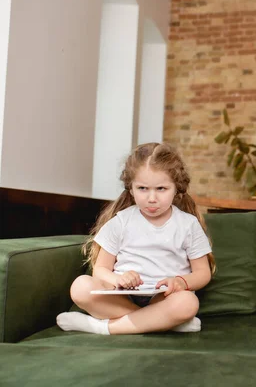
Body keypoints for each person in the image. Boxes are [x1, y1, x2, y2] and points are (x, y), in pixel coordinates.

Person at [57, 142, 216, 335]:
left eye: (161, 189)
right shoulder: (121, 222)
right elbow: (100, 270)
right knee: (80, 287)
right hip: (121, 296)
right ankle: (163, 322)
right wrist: (118, 278)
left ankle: (102, 327)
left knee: (187, 303)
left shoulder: (188, 224)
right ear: (130, 189)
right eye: (142, 188)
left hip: (164, 297)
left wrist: (181, 281)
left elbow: (202, 273)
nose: (151, 198)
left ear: (177, 188)